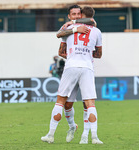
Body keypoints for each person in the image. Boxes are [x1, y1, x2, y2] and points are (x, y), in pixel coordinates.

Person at [41, 6, 103, 144]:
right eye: (73, 14)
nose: (75, 16)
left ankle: (53, 135)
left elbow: (60, 43)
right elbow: (98, 54)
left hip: (74, 68)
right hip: (85, 67)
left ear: (81, 15)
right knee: (69, 104)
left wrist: (77, 53)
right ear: (69, 16)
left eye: (78, 14)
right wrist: (83, 52)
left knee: (65, 101)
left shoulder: (67, 30)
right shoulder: (93, 31)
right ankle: (75, 128)